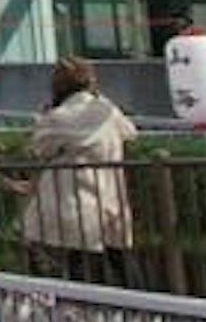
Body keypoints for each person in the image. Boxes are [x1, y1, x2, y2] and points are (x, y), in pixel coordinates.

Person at [18, 56, 138, 284]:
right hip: (111, 195)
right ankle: (144, 310)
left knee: (75, 264)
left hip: (71, 198)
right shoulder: (108, 111)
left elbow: (37, 148)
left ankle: (78, 313)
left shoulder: (58, 117)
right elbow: (130, 132)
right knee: (121, 260)